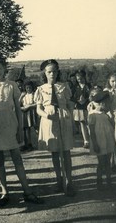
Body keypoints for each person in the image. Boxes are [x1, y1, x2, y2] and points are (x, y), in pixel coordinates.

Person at [0, 55, 43, 206]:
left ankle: (27, 191)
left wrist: (20, 129)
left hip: (10, 124)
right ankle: (4, 192)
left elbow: (18, 110)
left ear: (4, 69)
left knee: (17, 159)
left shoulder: (12, 85)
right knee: (0, 161)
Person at [34, 59, 75, 196]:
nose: (52, 74)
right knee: (55, 152)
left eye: (54, 71)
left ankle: (69, 182)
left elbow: (69, 104)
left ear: (58, 72)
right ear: (45, 73)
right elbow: (38, 109)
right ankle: (59, 181)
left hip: (63, 119)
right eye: (49, 72)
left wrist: (71, 119)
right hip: (49, 120)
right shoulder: (40, 89)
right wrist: (46, 115)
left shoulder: (64, 86)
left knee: (66, 151)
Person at [88, 91, 115, 190]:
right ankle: (99, 182)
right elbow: (91, 131)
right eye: (107, 103)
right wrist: (95, 143)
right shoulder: (93, 115)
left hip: (107, 140)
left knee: (108, 161)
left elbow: (112, 126)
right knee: (101, 162)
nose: (109, 105)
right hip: (99, 142)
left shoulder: (106, 114)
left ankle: (109, 181)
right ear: (102, 103)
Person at [72, 70, 91, 148]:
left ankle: (92, 139)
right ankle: (86, 141)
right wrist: (76, 101)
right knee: (82, 123)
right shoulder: (75, 87)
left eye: (81, 78)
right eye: (78, 78)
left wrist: (86, 99)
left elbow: (91, 95)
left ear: (84, 77)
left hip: (87, 106)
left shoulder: (88, 86)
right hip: (79, 107)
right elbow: (72, 96)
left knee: (89, 124)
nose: (79, 79)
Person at [19, 80, 38, 151]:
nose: (28, 89)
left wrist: (30, 106)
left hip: (33, 112)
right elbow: (18, 104)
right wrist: (21, 97)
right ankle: (27, 144)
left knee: (35, 127)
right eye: (27, 88)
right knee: (26, 129)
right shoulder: (24, 95)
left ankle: (37, 142)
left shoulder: (34, 94)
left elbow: (37, 103)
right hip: (25, 113)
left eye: (30, 88)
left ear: (32, 88)